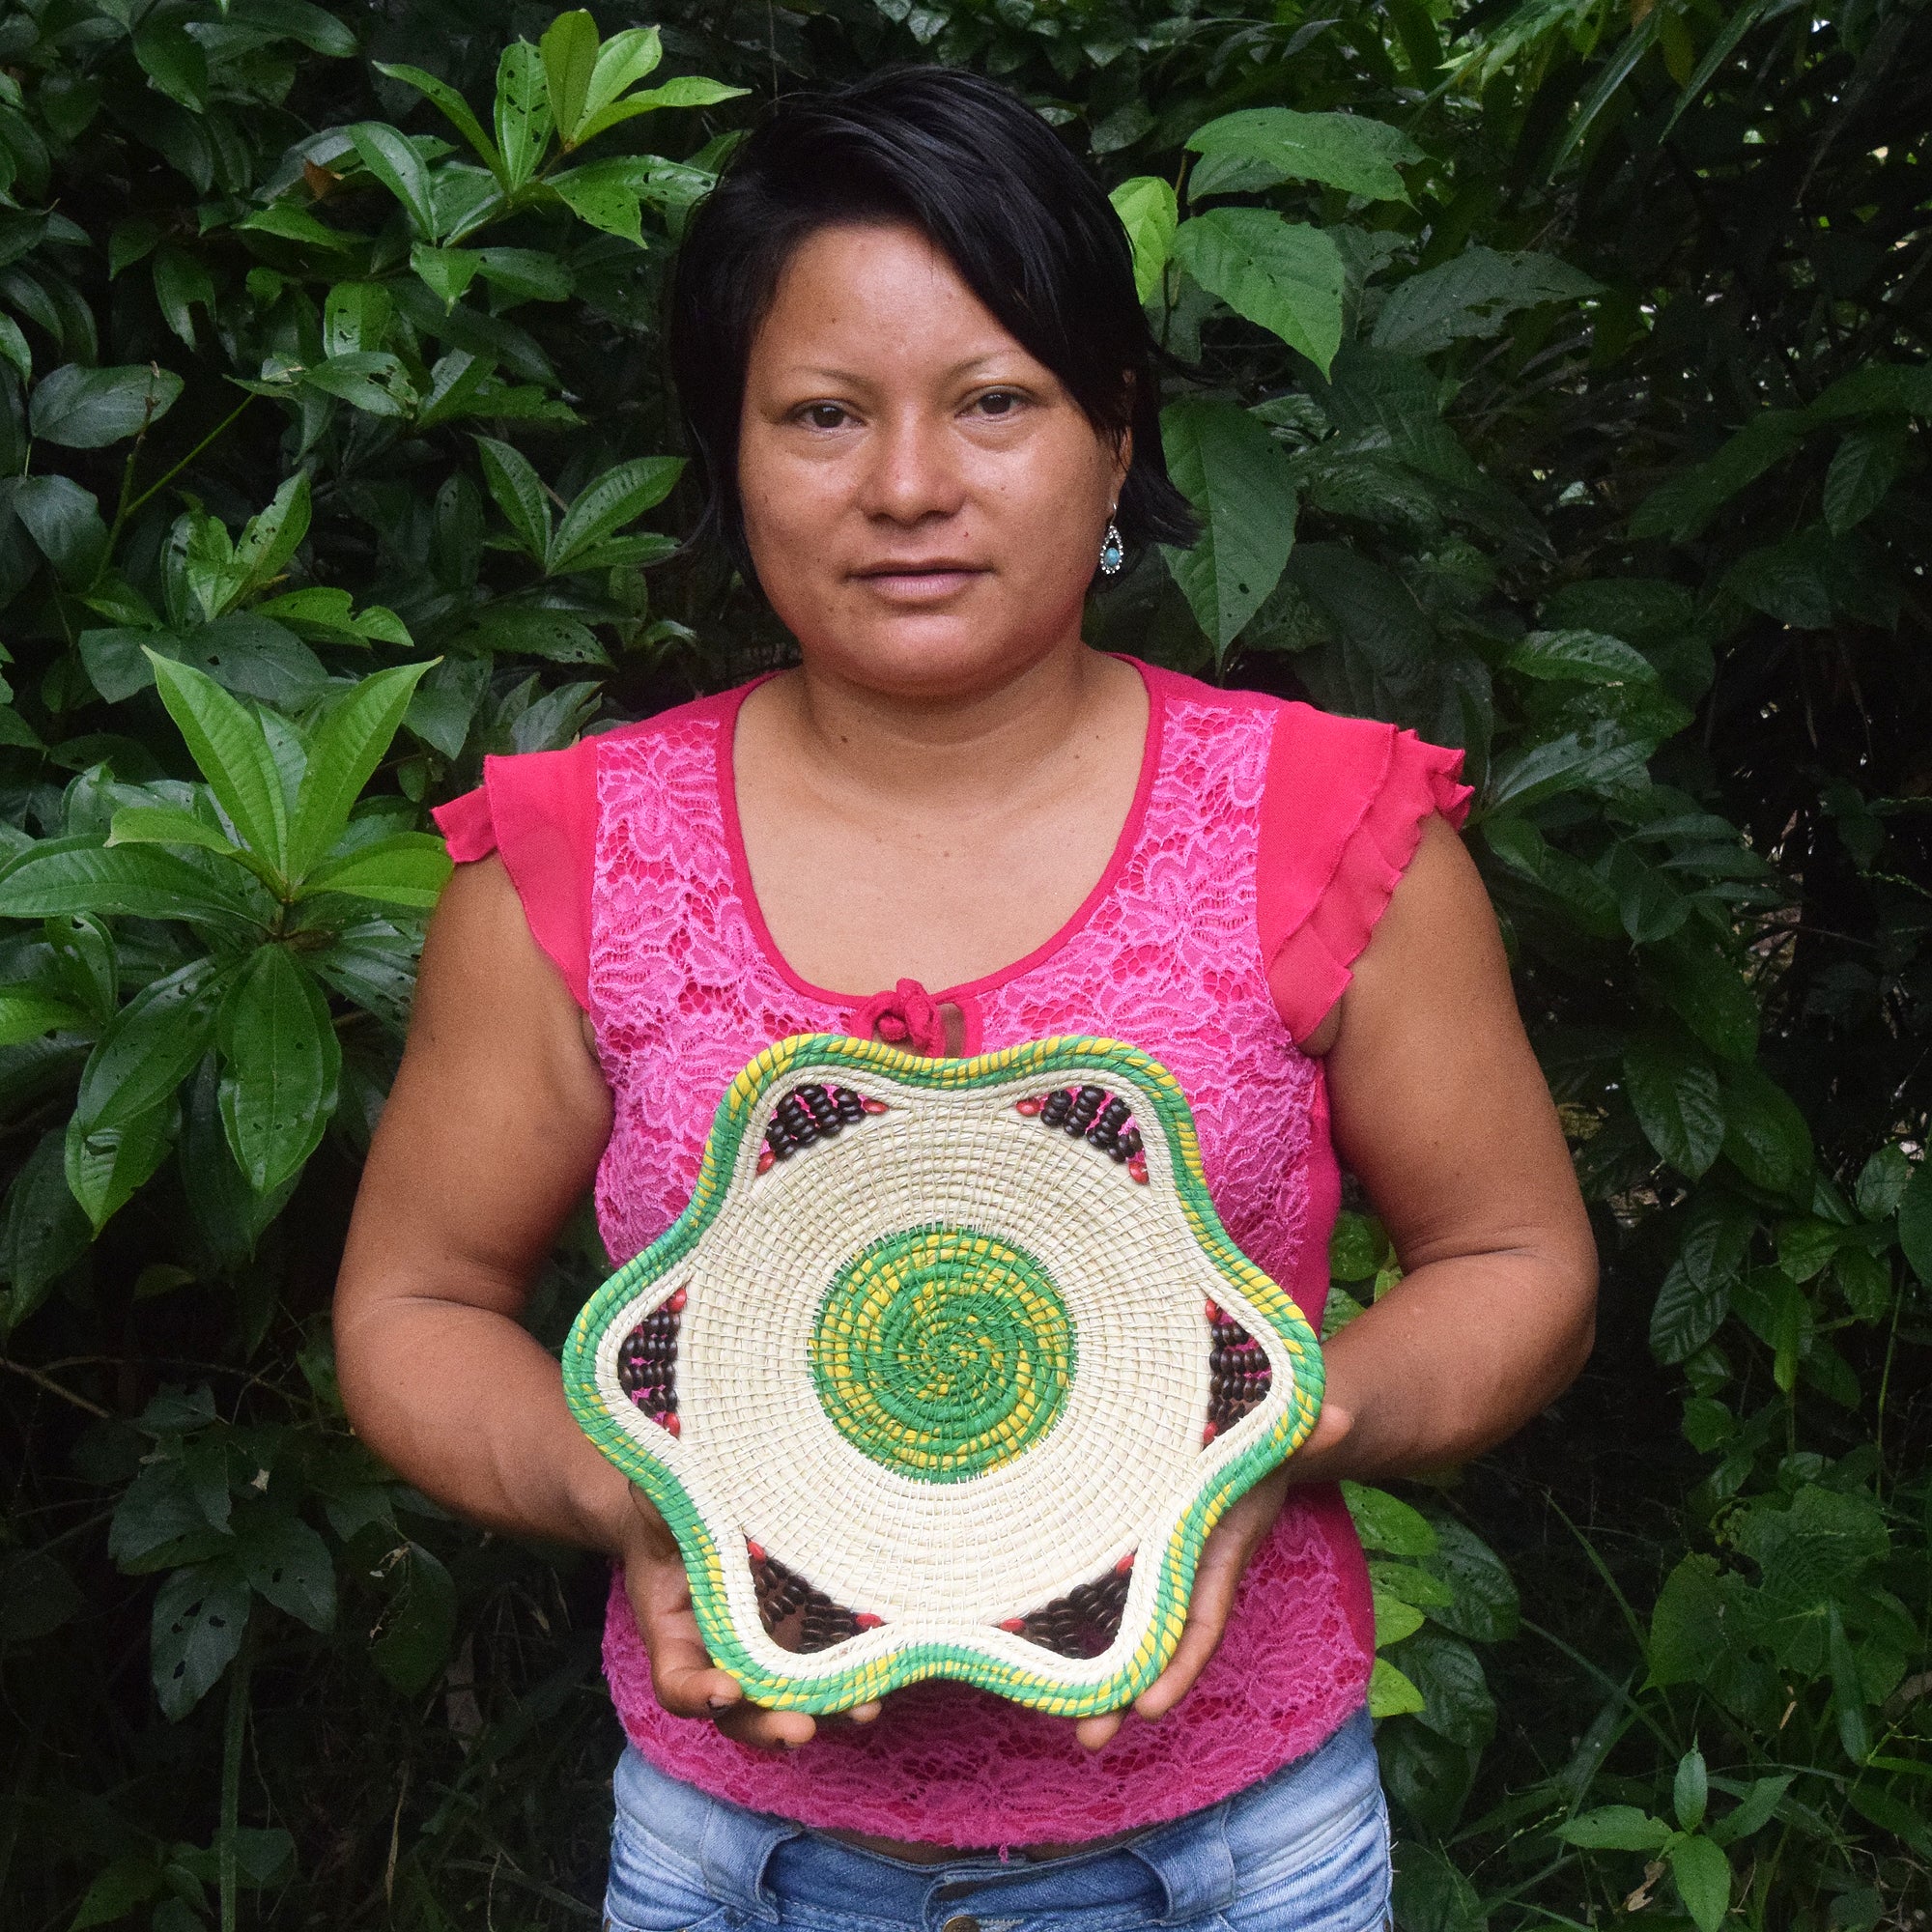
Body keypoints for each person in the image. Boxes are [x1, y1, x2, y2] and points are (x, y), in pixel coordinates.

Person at [333, 64, 1597, 1932]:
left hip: (1238, 1861)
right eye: (823, 414)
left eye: (995, 401)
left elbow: (1520, 1266)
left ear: (1115, 431)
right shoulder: (577, 858)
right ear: (730, 450)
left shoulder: (1325, 827)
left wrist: (1287, 1436)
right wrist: (625, 1502)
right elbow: (417, 1304)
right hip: (739, 1860)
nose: (908, 486)